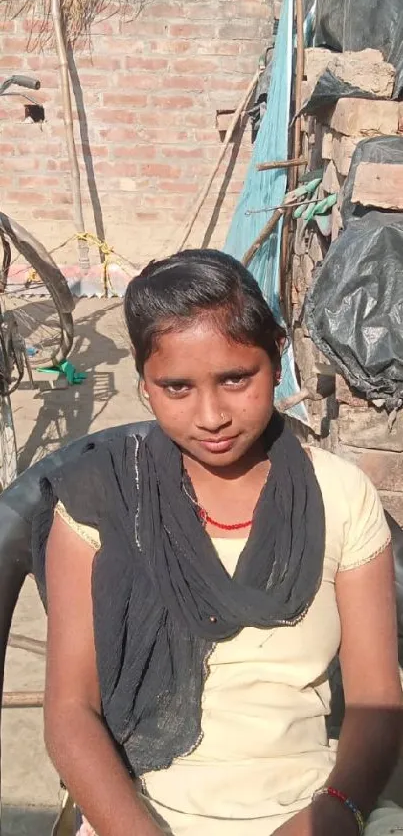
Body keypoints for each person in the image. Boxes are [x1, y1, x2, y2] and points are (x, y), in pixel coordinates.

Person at [33, 249, 403, 836]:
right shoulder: (99, 499)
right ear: (143, 382)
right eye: (176, 387)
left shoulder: (340, 496)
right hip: (142, 808)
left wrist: (337, 805)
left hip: (308, 804)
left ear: (277, 359)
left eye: (235, 378)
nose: (211, 415)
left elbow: (377, 698)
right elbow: (70, 713)